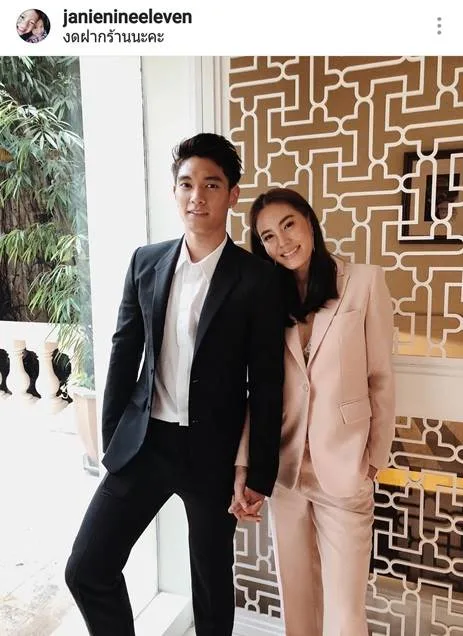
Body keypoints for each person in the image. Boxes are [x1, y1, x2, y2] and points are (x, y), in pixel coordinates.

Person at [65, 133, 285, 636]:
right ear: (174, 191)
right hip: (146, 444)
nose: (196, 196)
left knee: (210, 585)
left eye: (211, 184)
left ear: (232, 195)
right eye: (186, 184)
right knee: (87, 568)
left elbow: (266, 383)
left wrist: (257, 472)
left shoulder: (257, 279)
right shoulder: (146, 262)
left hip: (213, 454)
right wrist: (113, 438)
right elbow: (123, 353)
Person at [230, 187, 395, 636]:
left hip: (344, 469)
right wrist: (246, 464)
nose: (282, 242)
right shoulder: (268, 299)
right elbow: (257, 390)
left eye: (288, 225)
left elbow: (381, 377)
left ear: (309, 220)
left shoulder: (363, 282)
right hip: (286, 473)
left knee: (345, 612)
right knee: (297, 604)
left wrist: (373, 461)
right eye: (268, 236)